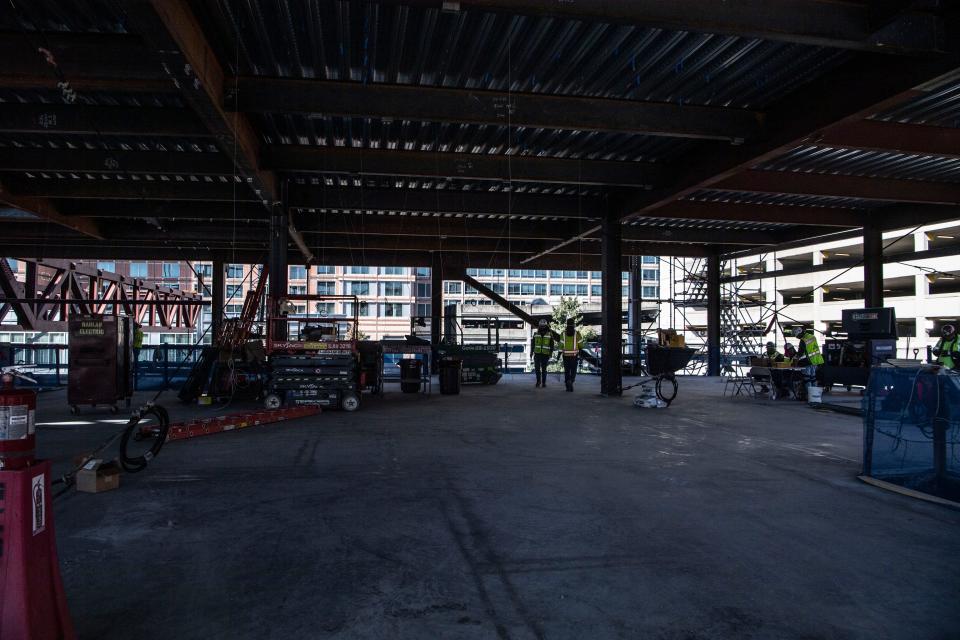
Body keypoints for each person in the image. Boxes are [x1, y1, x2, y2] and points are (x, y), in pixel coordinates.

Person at [531, 319, 556, 388]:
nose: (542, 327)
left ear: (546, 326)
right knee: (537, 369)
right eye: (541, 326)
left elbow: (552, 345)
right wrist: (531, 352)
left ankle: (544, 383)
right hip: (537, 354)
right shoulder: (535, 334)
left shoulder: (550, 334)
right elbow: (532, 344)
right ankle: (538, 381)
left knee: (544, 369)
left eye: (543, 326)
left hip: (545, 354)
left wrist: (550, 353)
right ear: (539, 326)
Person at [561, 317, 584, 392]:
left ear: (567, 325)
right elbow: (581, 345)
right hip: (574, 355)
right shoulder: (577, 334)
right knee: (573, 370)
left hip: (565, 355)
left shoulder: (563, 334)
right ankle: (571, 381)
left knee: (567, 371)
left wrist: (558, 354)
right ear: (574, 325)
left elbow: (560, 345)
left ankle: (568, 385)